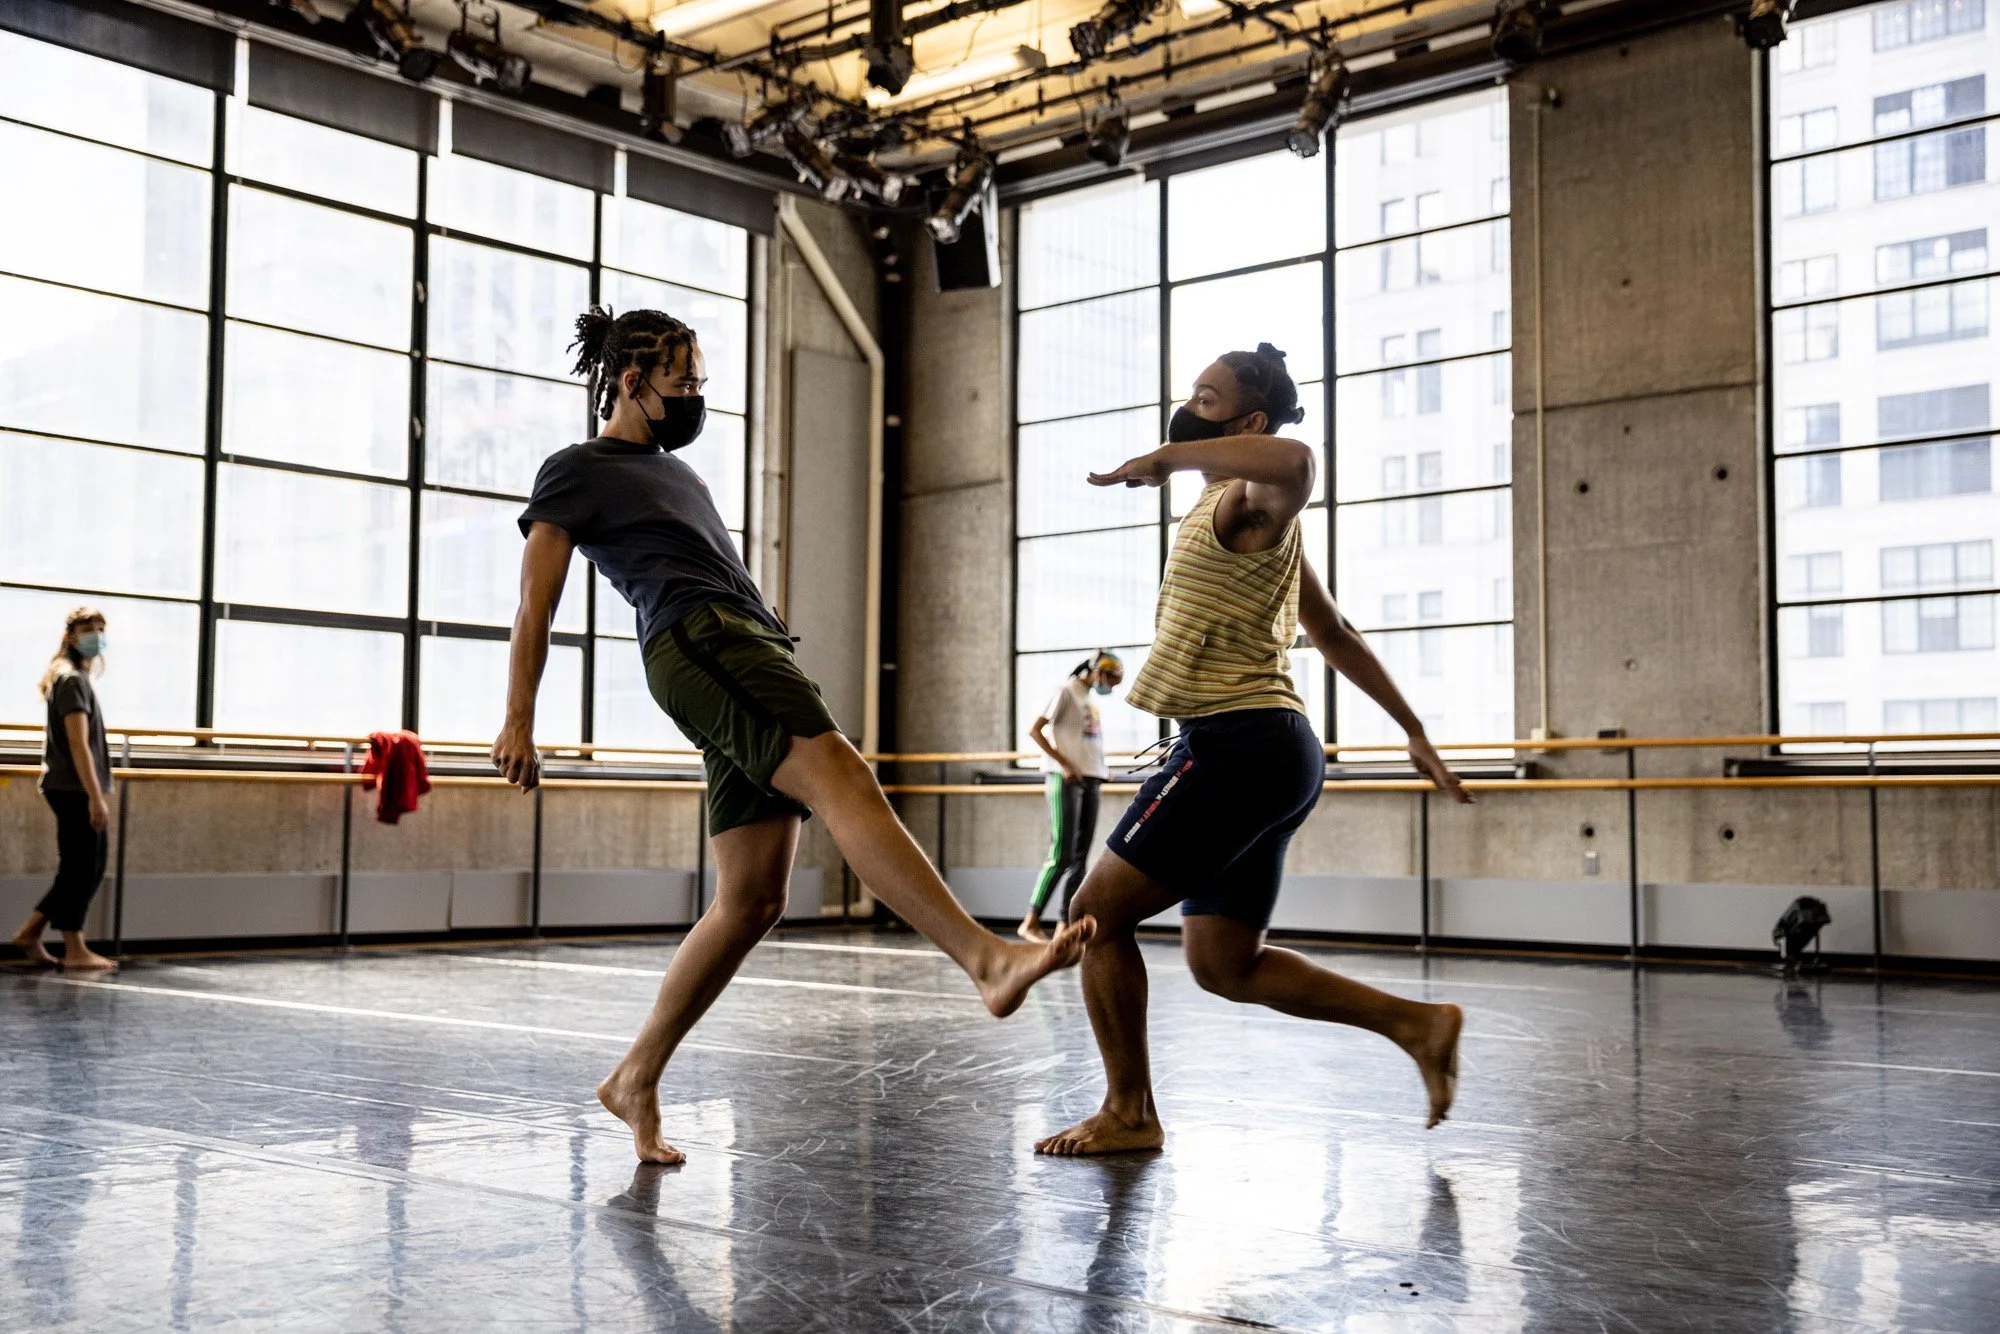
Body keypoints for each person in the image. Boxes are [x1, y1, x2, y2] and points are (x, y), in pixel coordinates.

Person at [491, 306, 1094, 1165]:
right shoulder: (575, 470)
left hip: (739, 640)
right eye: (685, 383)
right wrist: (519, 718)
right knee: (842, 776)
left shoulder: (681, 477)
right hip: (702, 643)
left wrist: (761, 612)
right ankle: (985, 960)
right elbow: (535, 604)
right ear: (630, 383)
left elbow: (706, 560)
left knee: (753, 898)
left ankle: (634, 1077)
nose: (697, 396)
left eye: (701, 381)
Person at [1035, 343, 1475, 1157]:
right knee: (1225, 964)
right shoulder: (1239, 524)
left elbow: (1300, 460)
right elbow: (1334, 633)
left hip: (1240, 745)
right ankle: (1418, 1026)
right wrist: (1413, 731)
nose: (1185, 408)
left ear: (1248, 423)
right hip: (1266, 751)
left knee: (1093, 915)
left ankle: (1129, 1112)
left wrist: (1167, 455)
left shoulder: (1255, 501)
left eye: (1205, 400)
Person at [9, 607, 118, 971]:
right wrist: (95, 796)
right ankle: (75, 948)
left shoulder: (70, 678)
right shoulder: (71, 680)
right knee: (83, 867)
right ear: (70, 635)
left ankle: (30, 933)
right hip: (73, 787)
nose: (97, 635)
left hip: (70, 787)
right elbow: (78, 744)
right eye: (89, 629)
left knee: (82, 865)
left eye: (101, 628)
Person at [1019, 650, 1123, 942]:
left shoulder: (1089, 701)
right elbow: (1035, 731)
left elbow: (1087, 742)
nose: (1111, 687)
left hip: (1091, 779)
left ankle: (1065, 925)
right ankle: (1031, 921)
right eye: (1111, 680)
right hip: (1064, 779)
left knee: (1081, 858)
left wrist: (1101, 769)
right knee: (1061, 854)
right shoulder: (1064, 692)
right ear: (1096, 671)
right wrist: (1064, 764)